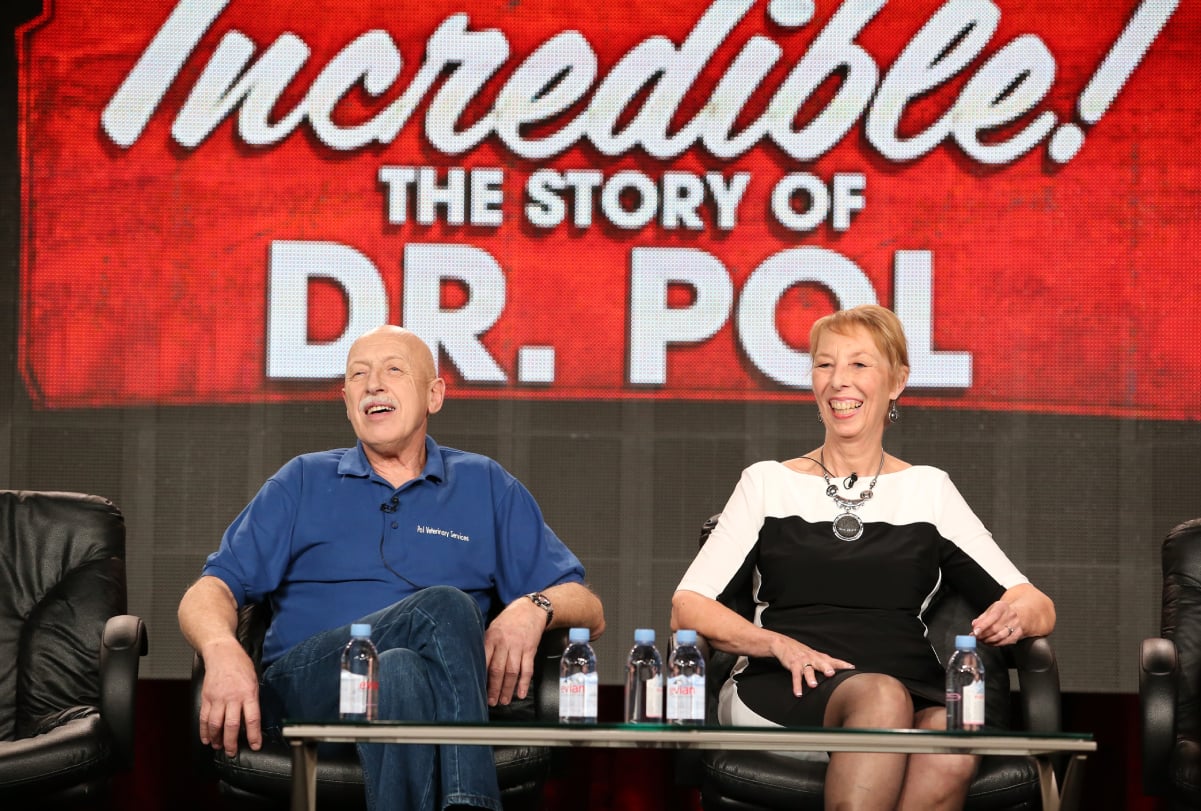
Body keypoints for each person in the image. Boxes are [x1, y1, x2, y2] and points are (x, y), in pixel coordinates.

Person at [179, 324, 605, 811]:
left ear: (434, 395)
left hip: (414, 700)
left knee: (401, 672)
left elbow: (590, 609)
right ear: (345, 400)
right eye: (358, 375)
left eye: (393, 370)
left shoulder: (485, 485)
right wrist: (220, 649)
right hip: (310, 691)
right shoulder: (302, 479)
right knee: (445, 605)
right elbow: (210, 589)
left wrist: (535, 607)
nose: (373, 385)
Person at [671, 304, 1055, 811]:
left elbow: (1036, 604)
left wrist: (1020, 612)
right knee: (880, 697)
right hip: (786, 684)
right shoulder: (767, 483)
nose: (838, 382)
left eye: (859, 364)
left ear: (897, 381)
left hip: (909, 684)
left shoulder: (928, 490)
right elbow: (689, 606)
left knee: (952, 735)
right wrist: (776, 645)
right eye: (824, 364)